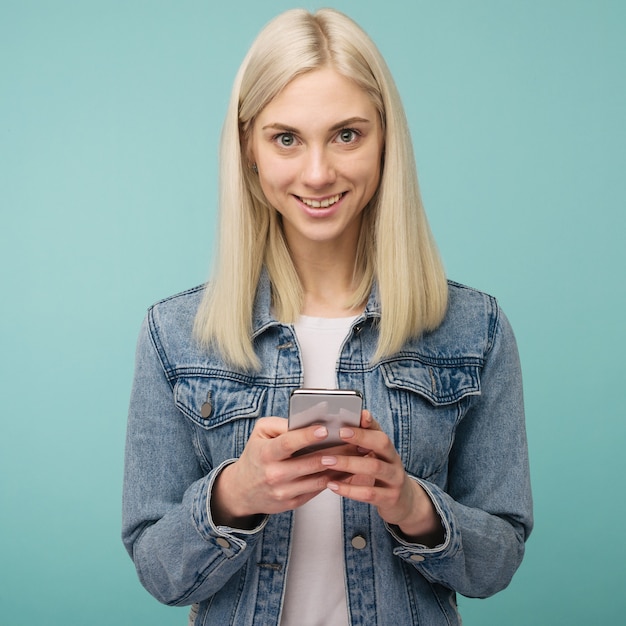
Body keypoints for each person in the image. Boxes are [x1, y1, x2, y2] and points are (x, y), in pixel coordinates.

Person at [122, 8, 533, 626]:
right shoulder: (175, 335)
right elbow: (159, 571)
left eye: (347, 135)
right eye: (286, 138)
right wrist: (236, 495)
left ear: (385, 139)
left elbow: (498, 563)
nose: (318, 173)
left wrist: (413, 503)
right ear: (249, 150)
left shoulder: (475, 329)